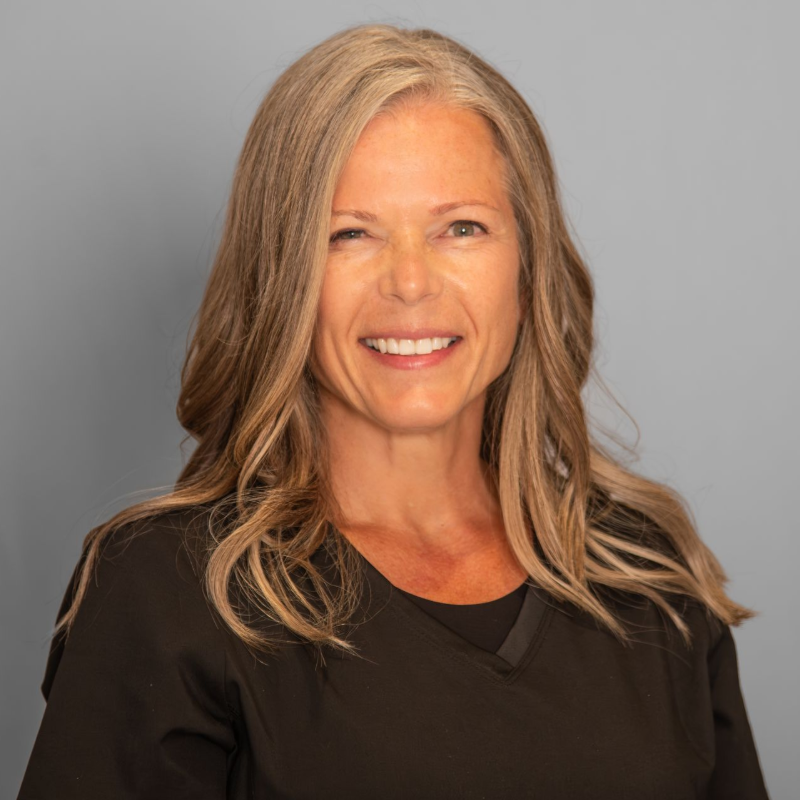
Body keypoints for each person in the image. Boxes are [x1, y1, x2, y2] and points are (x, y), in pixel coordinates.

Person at [17, 23, 769, 799]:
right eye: (349, 234)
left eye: (461, 228)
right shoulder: (169, 594)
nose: (411, 282)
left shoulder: (648, 579)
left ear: (528, 266)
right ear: (282, 279)